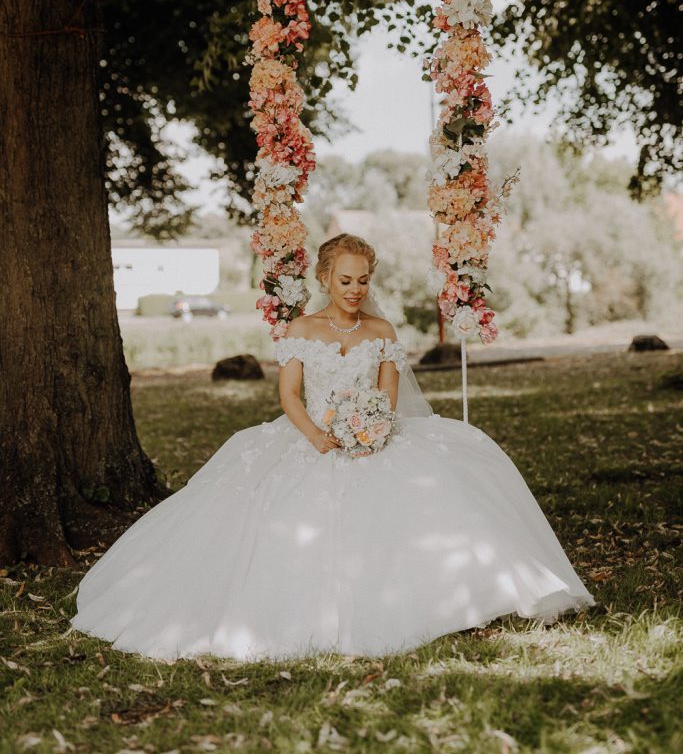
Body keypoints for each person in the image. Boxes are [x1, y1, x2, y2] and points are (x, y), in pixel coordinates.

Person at [70, 232, 595, 662]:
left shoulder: (382, 330)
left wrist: (374, 430)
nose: (355, 290)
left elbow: (388, 396)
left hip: (373, 435)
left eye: (363, 280)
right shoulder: (300, 329)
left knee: (447, 476)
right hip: (311, 435)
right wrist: (320, 435)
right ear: (324, 278)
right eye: (345, 280)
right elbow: (289, 395)